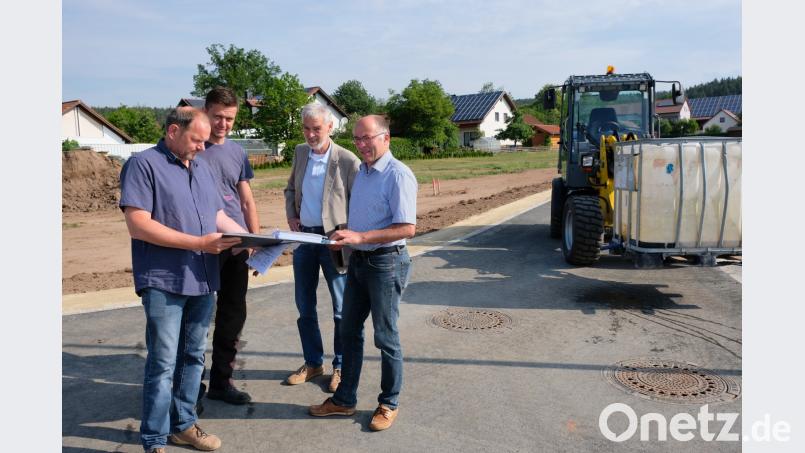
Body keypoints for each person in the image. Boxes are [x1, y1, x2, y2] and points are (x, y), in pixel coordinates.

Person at [119, 107, 246, 452]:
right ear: (173, 130)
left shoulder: (201, 166)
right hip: (164, 280)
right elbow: (138, 223)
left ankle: (184, 425)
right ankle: (154, 438)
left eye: (206, 142)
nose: (203, 148)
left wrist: (249, 238)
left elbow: (216, 213)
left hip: (203, 279)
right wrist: (199, 244)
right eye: (197, 140)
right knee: (163, 363)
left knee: (193, 357)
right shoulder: (143, 165)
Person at [309, 115, 417, 431]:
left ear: (386, 138)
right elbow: (365, 220)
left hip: (386, 263)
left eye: (367, 138)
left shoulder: (398, 175)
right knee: (348, 330)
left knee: (385, 337)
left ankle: (388, 403)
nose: (362, 145)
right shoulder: (364, 173)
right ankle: (344, 401)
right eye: (357, 139)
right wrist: (345, 237)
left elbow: (406, 228)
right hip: (358, 261)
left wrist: (360, 238)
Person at [283, 103, 360, 392]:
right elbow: (290, 188)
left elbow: (358, 201)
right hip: (305, 238)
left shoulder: (347, 160)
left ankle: (340, 366)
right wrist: (292, 214)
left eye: (316, 128)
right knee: (304, 305)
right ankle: (314, 362)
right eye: (306, 128)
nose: (311, 134)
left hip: (334, 241)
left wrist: (349, 234)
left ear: (330, 127)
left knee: (341, 308)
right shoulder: (301, 153)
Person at [195, 87, 260, 406]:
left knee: (233, 313)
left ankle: (222, 381)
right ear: (205, 112)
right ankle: (190, 387)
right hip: (203, 244)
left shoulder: (236, 152)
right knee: (196, 315)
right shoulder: (192, 146)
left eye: (229, 118)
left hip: (237, 245)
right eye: (218, 116)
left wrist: (255, 239)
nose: (223, 124)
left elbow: (246, 198)